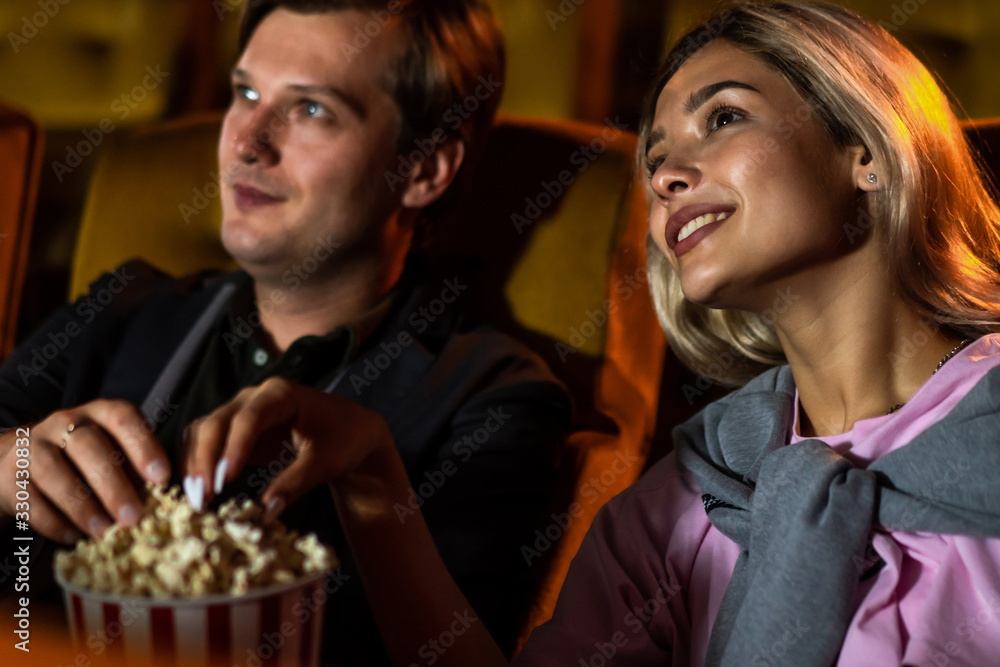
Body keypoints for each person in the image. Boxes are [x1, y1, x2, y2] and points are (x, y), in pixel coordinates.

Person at [168, 1, 1000, 665]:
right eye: (655, 158)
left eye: (723, 119)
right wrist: (374, 479)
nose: (668, 177)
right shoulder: (685, 497)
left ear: (867, 150)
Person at [0, 1, 571, 664]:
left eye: (310, 110)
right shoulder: (125, 303)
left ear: (424, 169)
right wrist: (9, 461)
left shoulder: (494, 393)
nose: (245, 140)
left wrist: (375, 487)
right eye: (245, 92)